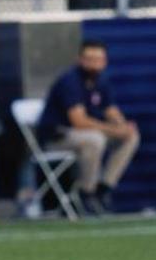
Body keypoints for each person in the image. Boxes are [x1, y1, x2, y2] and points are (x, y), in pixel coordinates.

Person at [36, 40, 140, 214]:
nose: (94, 64)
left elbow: (111, 110)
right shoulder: (70, 81)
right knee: (95, 140)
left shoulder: (101, 81)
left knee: (131, 137)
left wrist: (122, 126)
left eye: (98, 59)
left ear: (104, 61)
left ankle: (104, 188)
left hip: (84, 136)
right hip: (57, 137)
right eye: (89, 59)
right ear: (80, 59)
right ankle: (85, 192)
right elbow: (79, 121)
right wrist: (113, 130)